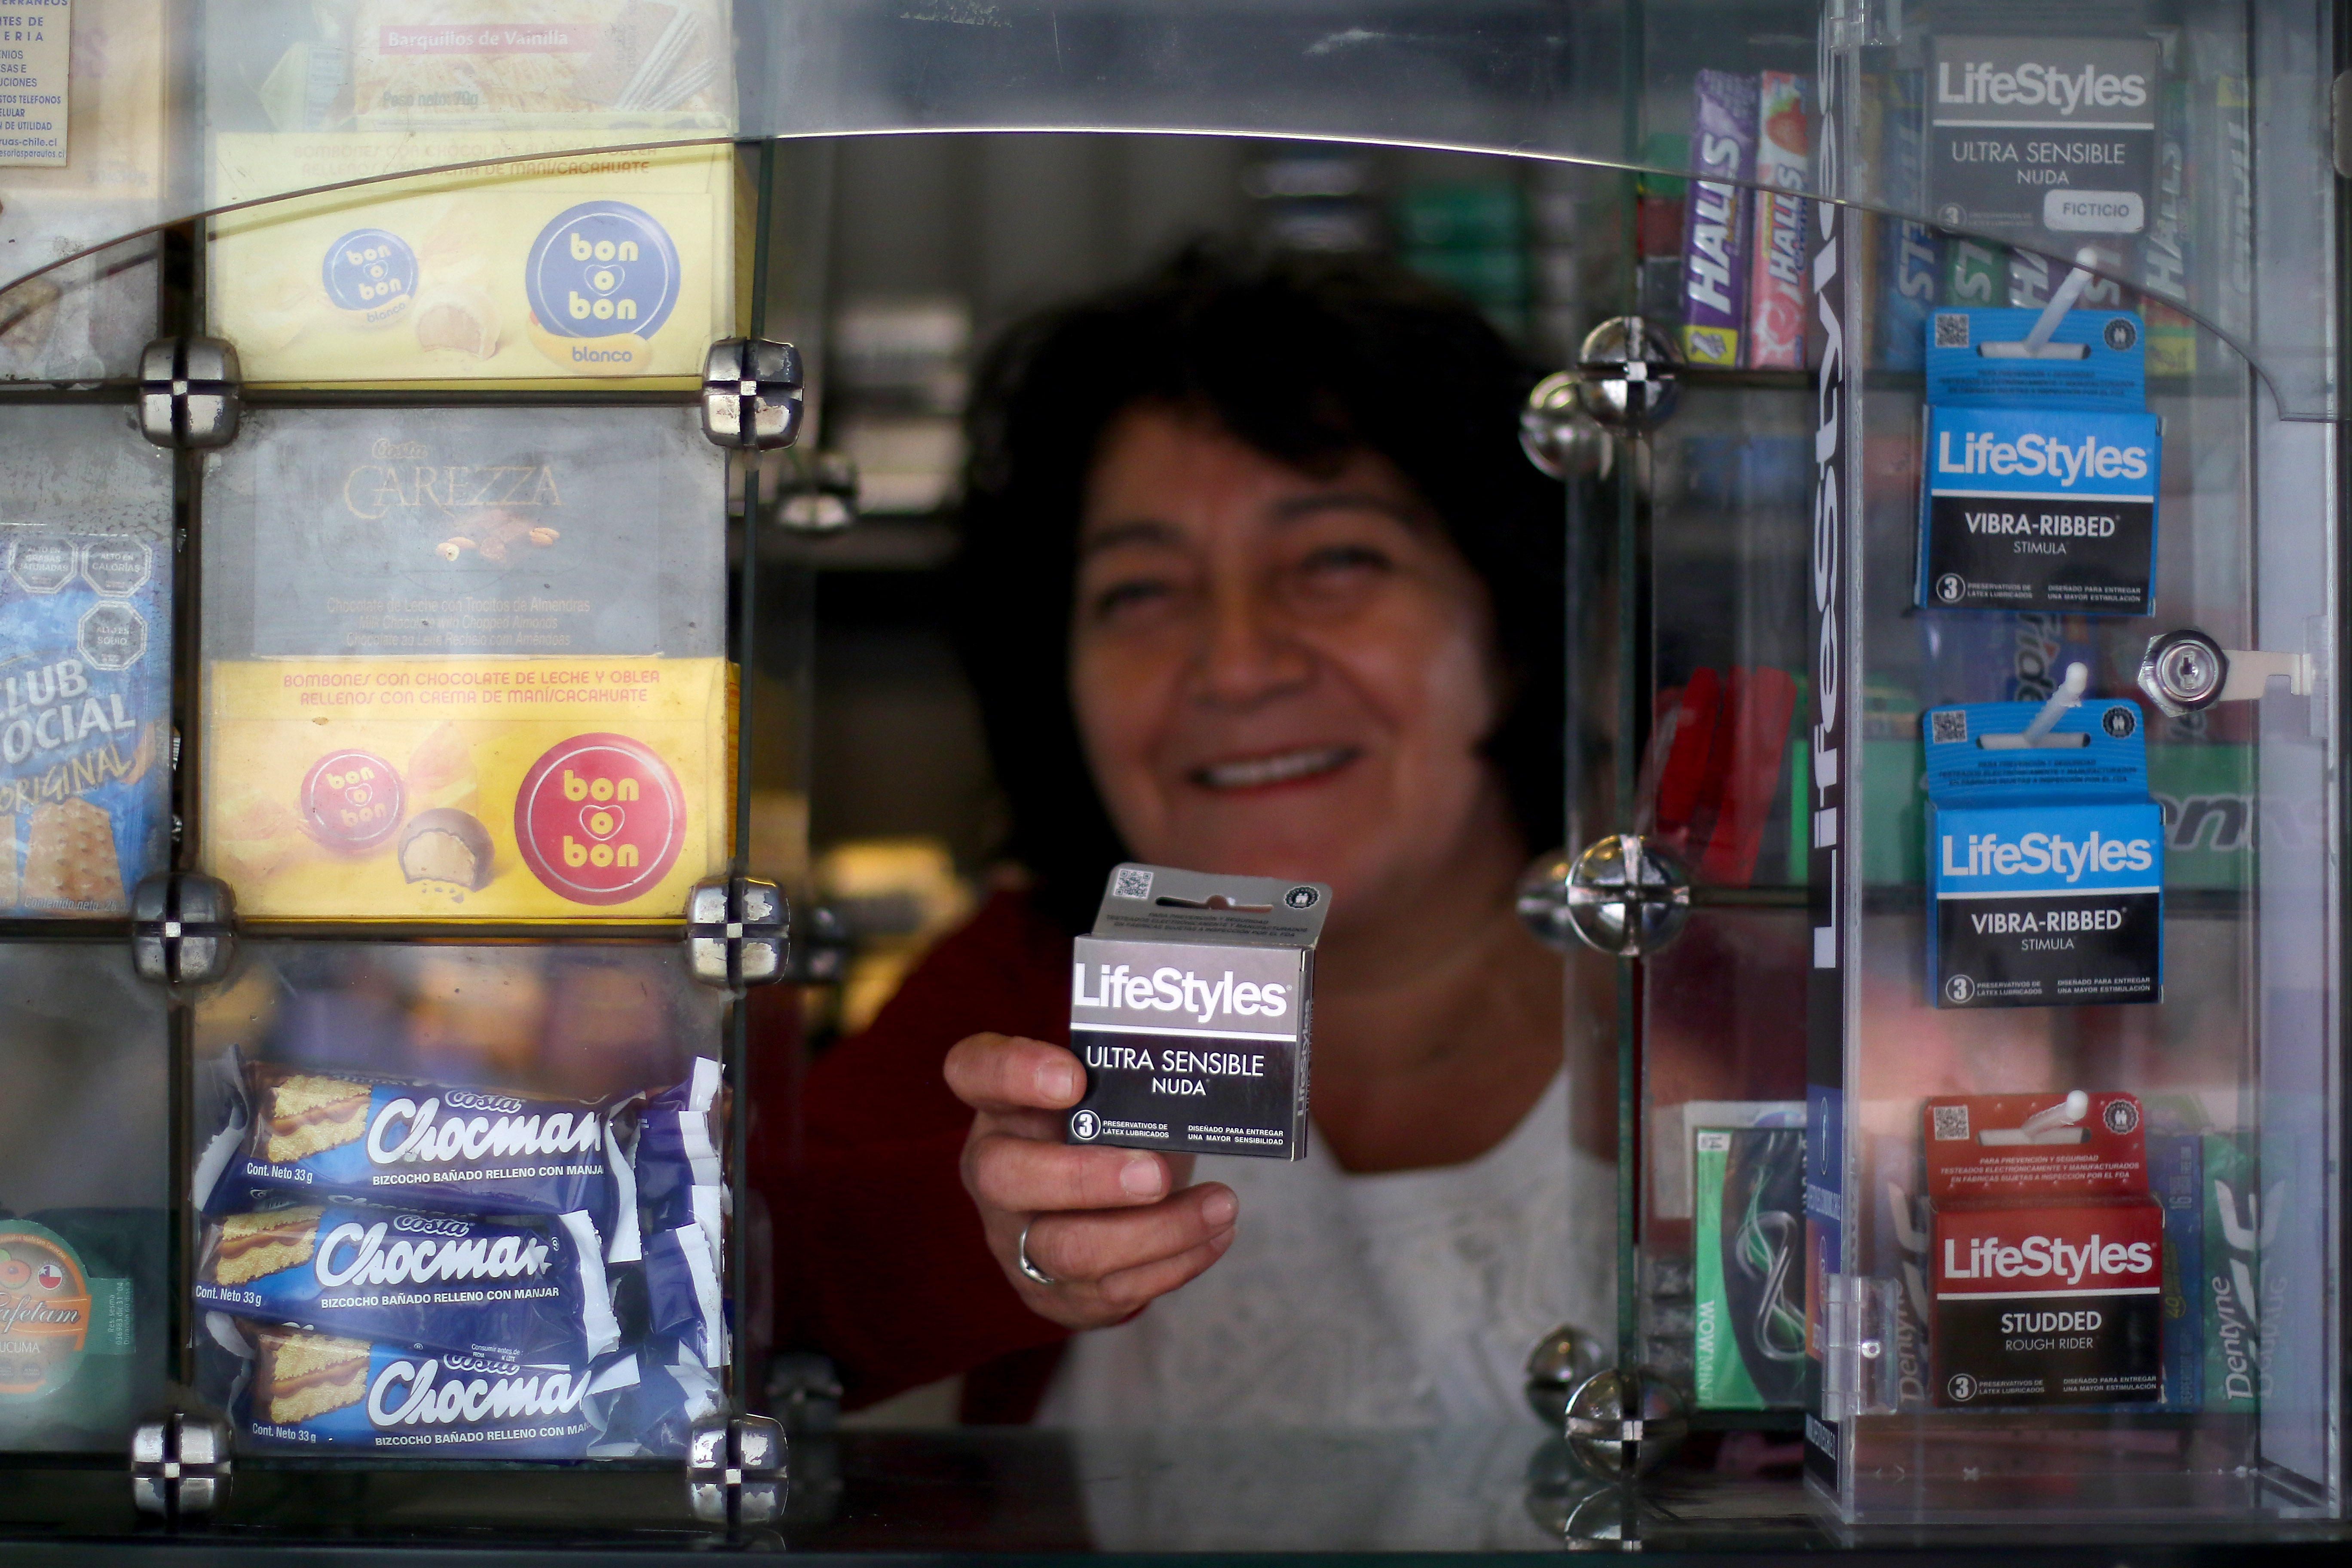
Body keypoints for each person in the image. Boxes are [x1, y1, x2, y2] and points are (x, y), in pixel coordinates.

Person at [762, 248, 1614, 1427]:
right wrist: (983, 1234)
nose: (1236, 664)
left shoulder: (1706, 978)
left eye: (1334, 561)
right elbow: (724, 1307)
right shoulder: (1022, 991)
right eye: (1142, 592)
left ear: (1516, 616)